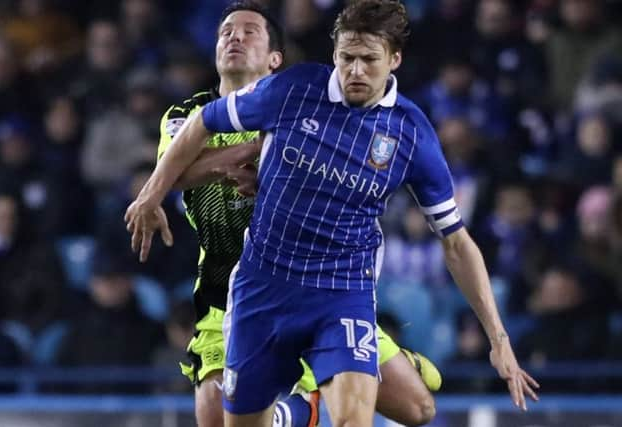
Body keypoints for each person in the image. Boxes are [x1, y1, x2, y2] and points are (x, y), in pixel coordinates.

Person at [126, 1, 540, 426]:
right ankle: (298, 409)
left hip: (341, 293)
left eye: (368, 60)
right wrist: (149, 196)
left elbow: (456, 241)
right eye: (346, 58)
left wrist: (499, 339)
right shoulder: (294, 90)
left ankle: (349, 375)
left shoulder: (411, 133)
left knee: (372, 418)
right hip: (262, 287)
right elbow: (203, 123)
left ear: (394, 60)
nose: (355, 71)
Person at [155, 2, 441, 426]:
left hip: (316, 284)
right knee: (215, 416)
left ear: (276, 59)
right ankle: (297, 406)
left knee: (418, 409)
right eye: (226, 32)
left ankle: (372, 366)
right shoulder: (188, 115)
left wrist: (247, 162)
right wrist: (249, 151)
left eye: (249, 31)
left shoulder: (301, 109)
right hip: (226, 288)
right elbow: (173, 173)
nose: (234, 37)